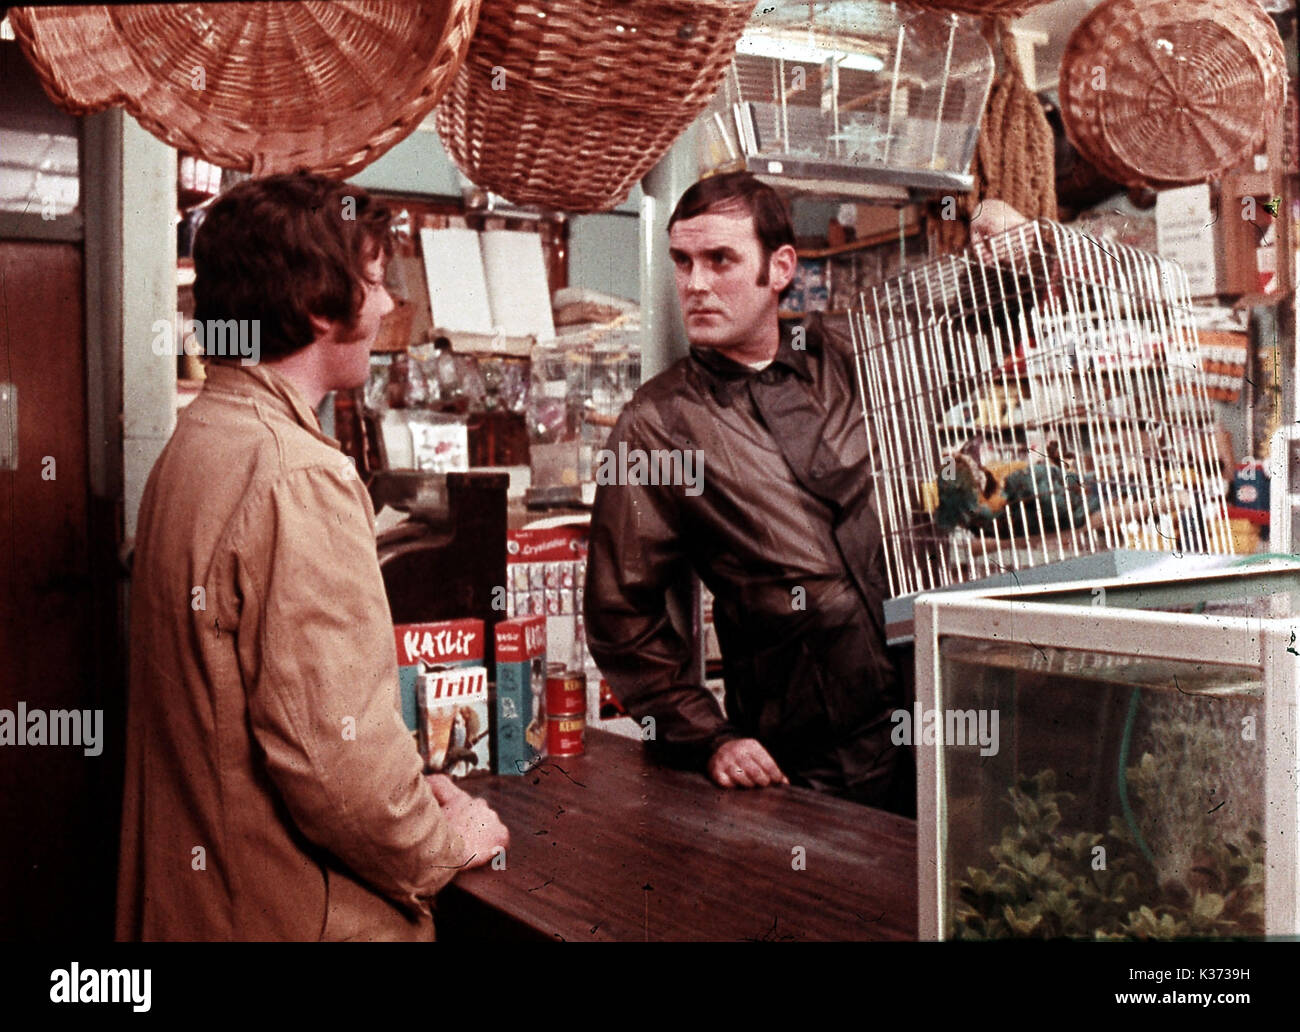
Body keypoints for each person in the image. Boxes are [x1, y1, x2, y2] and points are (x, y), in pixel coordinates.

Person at [117, 172, 508, 941]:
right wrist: (445, 843)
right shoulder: (297, 473)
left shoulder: (197, 442)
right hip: (288, 914)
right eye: (373, 282)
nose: (390, 304)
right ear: (317, 307)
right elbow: (336, 760)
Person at [583, 172, 1025, 810]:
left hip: (936, 710)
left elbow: (970, 331)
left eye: (720, 259)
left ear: (780, 267)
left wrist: (1012, 250)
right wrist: (708, 736)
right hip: (808, 760)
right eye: (682, 262)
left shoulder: (851, 354)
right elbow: (620, 611)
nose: (695, 284)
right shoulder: (659, 423)